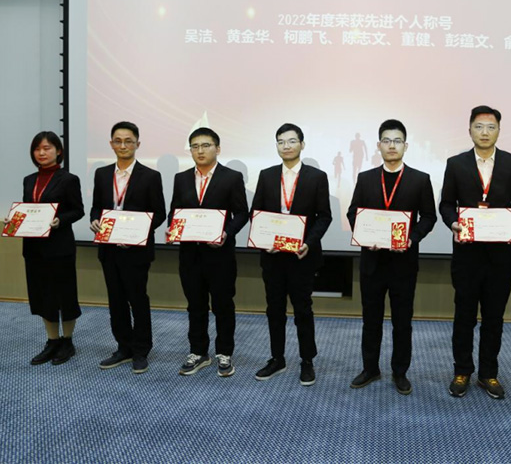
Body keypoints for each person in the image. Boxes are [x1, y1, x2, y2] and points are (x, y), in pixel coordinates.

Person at [439, 105, 511, 399]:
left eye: (491, 127)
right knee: (464, 315)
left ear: (499, 131)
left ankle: (489, 373)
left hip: (500, 256)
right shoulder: (456, 164)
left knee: (494, 317)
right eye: (479, 127)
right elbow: (446, 204)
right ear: (469, 130)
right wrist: (454, 223)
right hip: (467, 254)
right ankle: (462, 370)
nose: (485, 132)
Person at [346, 119, 436, 395]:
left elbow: (429, 217)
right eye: (387, 140)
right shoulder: (366, 178)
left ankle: (400, 371)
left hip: (403, 263)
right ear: (378, 145)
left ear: (405, 146)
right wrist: (365, 235)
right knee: (371, 319)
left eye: (397, 141)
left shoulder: (420, 179)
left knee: (402, 321)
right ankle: (370, 368)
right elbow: (353, 212)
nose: (392, 146)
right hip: (372, 262)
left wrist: (411, 238)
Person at [250, 123, 332, 386]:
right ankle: (277, 358)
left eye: (291, 141)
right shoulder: (266, 175)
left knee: (302, 310)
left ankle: (307, 361)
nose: (286, 146)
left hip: (302, 256)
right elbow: (257, 213)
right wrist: (263, 240)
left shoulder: (317, 177)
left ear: (302, 145)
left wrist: (308, 242)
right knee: (274, 309)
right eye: (281, 142)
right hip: (272, 256)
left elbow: (324, 216)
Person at [168, 127, 249, 377]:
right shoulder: (181, 178)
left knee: (223, 305)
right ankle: (198, 351)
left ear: (218, 148)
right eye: (195, 146)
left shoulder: (231, 177)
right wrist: (173, 228)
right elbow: (175, 211)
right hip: (190, 254)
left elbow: (242, 213)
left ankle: (224, 352)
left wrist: (227, 233)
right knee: (195, 305)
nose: (200, 151)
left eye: (206, 145)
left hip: (220, 254)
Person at [89, 121, 166, 374]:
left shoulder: (151, 176)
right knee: (116, 300)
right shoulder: (102, 174)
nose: (123, 145)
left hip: (136, 250)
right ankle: (123, 347)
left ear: (137, 144)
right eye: (118, 141)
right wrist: (95, 220)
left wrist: (137, 234)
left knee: (137, 299)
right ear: (111, 144)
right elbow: (96, 207)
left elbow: (160, 213)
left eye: (128, 141)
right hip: (109, 248)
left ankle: (141, 349)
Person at [21, 131, 84, 365]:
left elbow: (78, 210)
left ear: (58, 151)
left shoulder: (68, 179)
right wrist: (15, 220)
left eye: (47, 148)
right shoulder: (29, 179)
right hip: (34, 247)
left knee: (64, 295)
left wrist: (60, 220)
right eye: (37, 149)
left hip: (59, 247)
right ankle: (52, 341)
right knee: (42, 295)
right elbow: (27, 209)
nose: (41, 153)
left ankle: (67, 341)